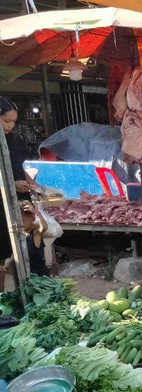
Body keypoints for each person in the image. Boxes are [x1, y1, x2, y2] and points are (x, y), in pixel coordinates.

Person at [0, 97, 42, 290]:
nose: (10, 125)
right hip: (2, 206)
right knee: (1, 255)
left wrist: (31, 183)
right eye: (6, 121)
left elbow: (17, 167)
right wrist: (11, 185)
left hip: (18, 201)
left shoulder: (13, 139)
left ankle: (22, 292)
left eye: (13, 121)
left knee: (21, 247)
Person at [20, 201, 48, 277]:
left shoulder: (35, 233)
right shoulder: (20, 234)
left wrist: (37, 213)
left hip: (39, 277)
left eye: (22, 221)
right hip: (25, 275)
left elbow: (44, 227)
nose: (20, 224)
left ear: (32, 218)